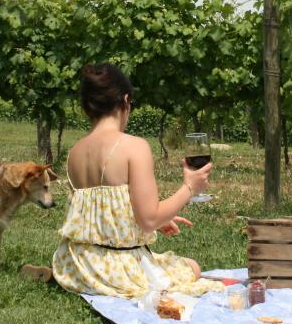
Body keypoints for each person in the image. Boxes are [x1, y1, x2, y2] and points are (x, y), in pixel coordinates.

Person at [22, 63, 223, 299]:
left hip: (77, 262)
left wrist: (161, 219)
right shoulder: (134, 147)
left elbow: (101, 213)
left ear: (88, 106)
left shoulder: (75, 151)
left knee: (173, 264)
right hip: (116, 267)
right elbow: (148, 219)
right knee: (192, 267)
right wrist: (190, 187)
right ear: (125, 101)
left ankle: (60, 276)